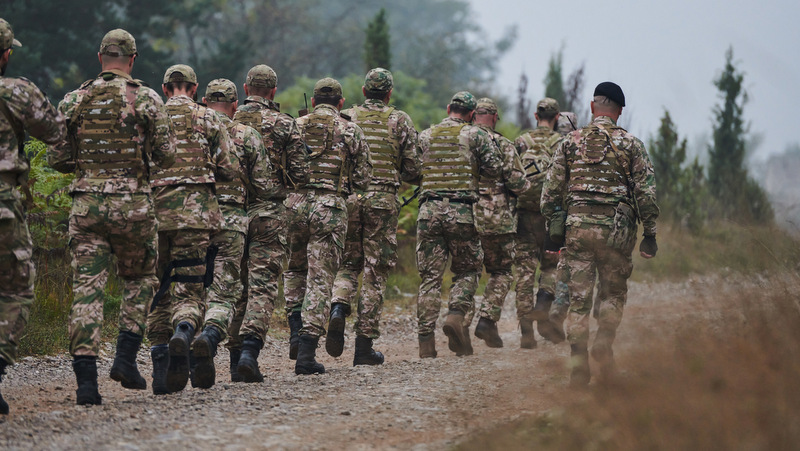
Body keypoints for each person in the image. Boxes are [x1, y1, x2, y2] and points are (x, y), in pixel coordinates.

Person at [51, 29, 176, 405]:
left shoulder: (74, 99)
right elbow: (167, 155)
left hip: (86, 206)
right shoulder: (148, 98)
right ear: (133, 60)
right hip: (133, 207)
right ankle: (124, 358)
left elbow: (58, 157)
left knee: (87, 290)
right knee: (139, 279)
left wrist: (88, 166)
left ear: (100, 57)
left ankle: (86, 384)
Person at [541, 82, 659, 385]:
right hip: (616, 234)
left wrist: (552, 227)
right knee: (612, 293)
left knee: (578, 300)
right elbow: (645, 193)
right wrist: (650, 233)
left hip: (577, 230)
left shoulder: (569, 143)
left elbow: (550, 191)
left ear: (593, 108)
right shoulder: (632, 144)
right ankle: (604, 340)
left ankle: (578, 366)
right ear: (619, 111)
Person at [146, 64, 237, 394]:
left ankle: (161, 370)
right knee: (189, 286)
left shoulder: (149, 115)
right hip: (196, 216)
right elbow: (229, 168)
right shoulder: (208, 118)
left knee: (157, 289)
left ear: (165, 87)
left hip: (154, 215)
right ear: (195, 89)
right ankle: (184, 329)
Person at [328, 68, 421, 365]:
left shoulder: (349, 117)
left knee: (348, 263)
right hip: (383, 200)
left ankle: (338, 307)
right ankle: (364, 347)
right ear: (389, 93)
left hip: (351, 198)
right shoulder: (401, 120)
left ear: (364, 91)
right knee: (374, 271)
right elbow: (413, 169)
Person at [0, 18, 66, 413]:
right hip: (3, 207)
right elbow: (58, 135)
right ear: (6, 54)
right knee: (16, 289)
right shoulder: (17, 92)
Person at [189, 78, 272, 388]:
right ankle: (211, 338)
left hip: (193, 218)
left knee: (192, 288)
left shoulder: (192, 129)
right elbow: (262, 185)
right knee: (226, 290)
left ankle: (191, 354)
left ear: (204, 101)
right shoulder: (246, 134)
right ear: (236, 106)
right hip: (231, 221)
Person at [287, 77, 371, 374]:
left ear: (313, 101)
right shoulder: (350, 129)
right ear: (340, 102)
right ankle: (306, 353)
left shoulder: (293, 126)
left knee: (294, 271)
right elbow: (362, 180)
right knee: (320, 278)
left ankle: (295, 330)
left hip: (293, 205)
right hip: (329, 208)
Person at [230, 64, 307, 382]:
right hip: (269, 214)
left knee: (237, 288)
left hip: (231, 212)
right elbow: (302, 176)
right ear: (273, 92)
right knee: (261, 287)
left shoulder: (227, 120)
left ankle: (234, 361)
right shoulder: (286, 124)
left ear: (245, 89)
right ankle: (249, 352)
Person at [414, 91, 504, 358]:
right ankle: (455, 314)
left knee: (429, 278)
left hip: (428, 211)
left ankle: (425, 342)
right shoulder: (476, 135)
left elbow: (414, 170)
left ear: (448, 108)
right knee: (468, 270)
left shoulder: (426, 135)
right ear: (472, 114)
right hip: (462, 211)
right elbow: (495, 168)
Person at [466, 98, 529, 350]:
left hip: (465, 216)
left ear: (473, 116)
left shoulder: (462, 140)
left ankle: (459, 322)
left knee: (467, 272)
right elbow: (517, 183)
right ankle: (486, 320)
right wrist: (527, 186)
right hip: (498, 220)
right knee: (501, 272)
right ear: (494, 117)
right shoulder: (503, 144)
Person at [513, 98, 564, 348]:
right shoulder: (561, 143)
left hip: (523, 215)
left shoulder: (521, 141)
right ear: (557, 117)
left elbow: (510, 175)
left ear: (536, 115)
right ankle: (543, 304)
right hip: (549, 217)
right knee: (551, 267)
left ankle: (526, 334)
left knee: (524, 272)